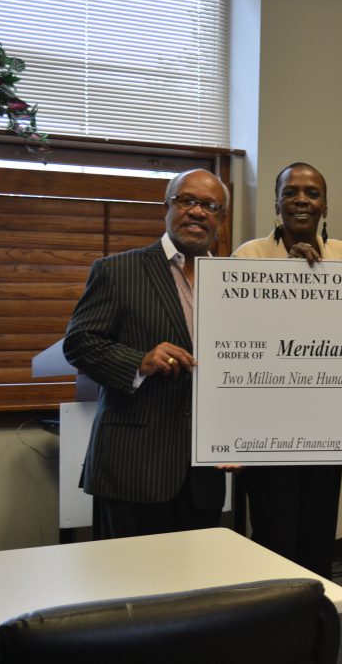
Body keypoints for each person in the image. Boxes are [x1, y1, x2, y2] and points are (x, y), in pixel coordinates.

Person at [63, 168, 230, 540]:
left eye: (210, 205)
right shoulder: (118, 271)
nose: (198, 211)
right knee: (129, 589)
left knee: (198, 590)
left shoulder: (231, 280)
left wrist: (238, 437)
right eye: (187, 200)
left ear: (220, 218)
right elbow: (78, 342)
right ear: (167, 208)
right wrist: (138, 360)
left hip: (203, 473)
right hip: (134, 467)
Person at [232, 162, 342, 577]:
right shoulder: (249, 255)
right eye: (291, 192)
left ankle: (316, 633)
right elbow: (235, 334)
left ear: (325, 205)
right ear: (276, 202)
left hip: (326, 423)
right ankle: (273, 636)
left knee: (318, 537)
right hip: (266, 423)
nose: (301, 200)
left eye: (312, 193)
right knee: (273, 535)